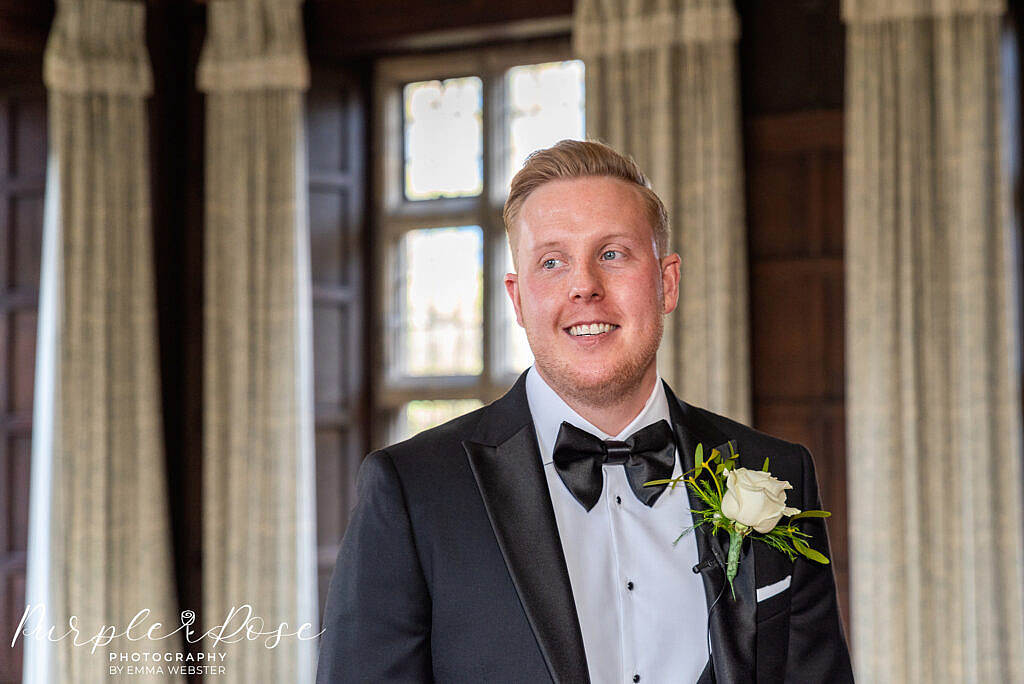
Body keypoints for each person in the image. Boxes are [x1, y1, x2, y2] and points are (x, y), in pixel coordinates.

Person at [316, 140, 854, 683]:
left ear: (666, 283)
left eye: (613, 254)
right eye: (552, 262)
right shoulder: (413, 491)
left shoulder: (776, 475)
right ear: (519, 300)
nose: (584, 288)